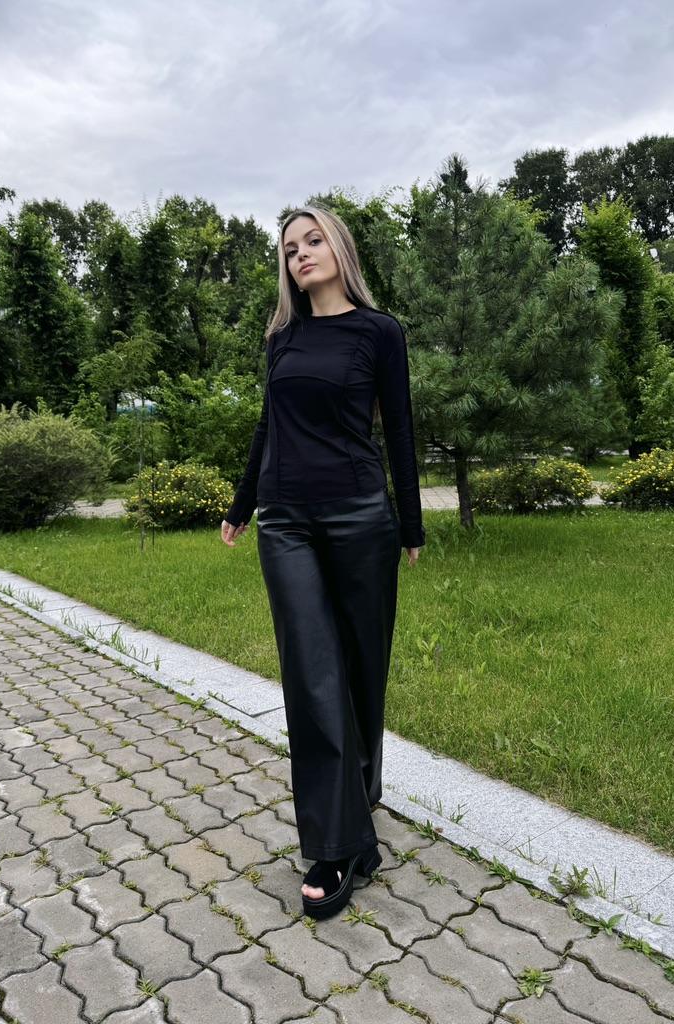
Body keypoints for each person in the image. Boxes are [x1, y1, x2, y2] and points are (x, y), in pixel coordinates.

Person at [220, 203, 425, 920]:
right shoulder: (282, 337)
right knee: (313, 675)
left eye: (312, 241)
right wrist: (242, 505)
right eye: (289, 248)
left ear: (339, 248)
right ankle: (336, 845)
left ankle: (358, 805)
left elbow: (399, 427)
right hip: (287, 523)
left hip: (361, 516)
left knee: (363, 669)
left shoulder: (379, 332)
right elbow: (266, 427)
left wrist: (411, 522)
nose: (299, 254)